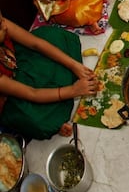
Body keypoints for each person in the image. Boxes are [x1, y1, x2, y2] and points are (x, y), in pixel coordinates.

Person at [0, 10, 98, 139]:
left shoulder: (3, 26)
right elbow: (32, 93)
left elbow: (36, 43)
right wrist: (73, 90)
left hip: (18, 60)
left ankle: (61, 96)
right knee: (36, 122)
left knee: (54, 36)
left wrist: (74, 65)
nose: (5, 26)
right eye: (0, 27)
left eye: (2, 21)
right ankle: (56, 118)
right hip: (11, 98)